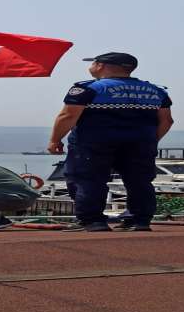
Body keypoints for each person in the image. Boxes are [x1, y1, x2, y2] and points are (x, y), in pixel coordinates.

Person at [47, 52, 174, 231]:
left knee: (87, 179)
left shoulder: (87, 89)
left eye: (93, 63)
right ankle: (139, 220)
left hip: (93, 144)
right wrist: (150, 141)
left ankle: (92, 221)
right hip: (140, 144)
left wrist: (54, 140)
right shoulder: (156, 90)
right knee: (139, 181)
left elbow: (68, 115)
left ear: (100, 66)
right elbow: (167, 121)